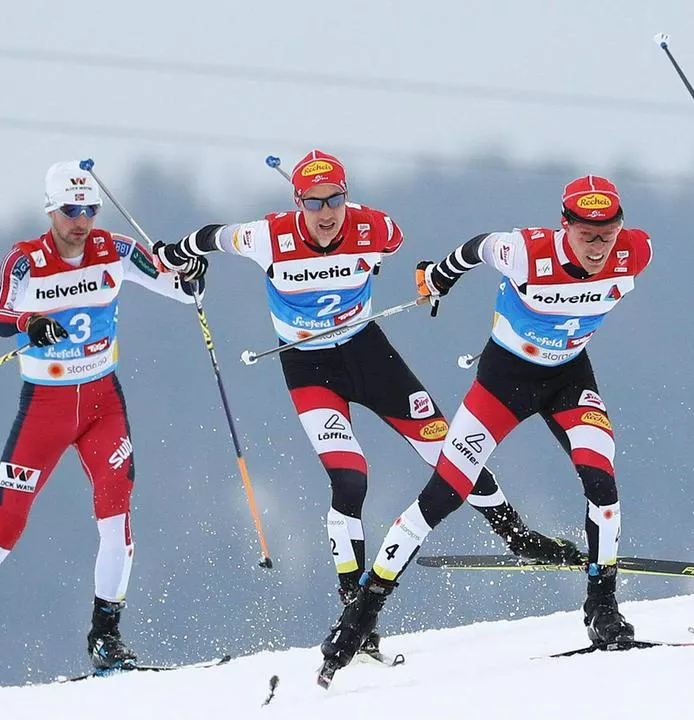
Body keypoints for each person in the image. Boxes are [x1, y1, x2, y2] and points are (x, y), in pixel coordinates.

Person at [151, 150, 579, 649]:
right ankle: (354, 606)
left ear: (347, 198)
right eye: (314, 204)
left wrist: (409, 276)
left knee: (452, 454)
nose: (327, 213)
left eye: (335, 200)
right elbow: (213, 237)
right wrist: (178, 252)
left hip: (368, 355)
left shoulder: (377, 229)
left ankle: (518, 537)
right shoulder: (269, 237)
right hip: (309, 368)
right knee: (350, 478)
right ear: (298, 203)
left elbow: (399, 245)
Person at [319, 175, 654, 673]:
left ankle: (602, 607)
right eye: (587, 236)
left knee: (601, 480)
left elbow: (615, 254)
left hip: (569, 379)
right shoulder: (523, 251)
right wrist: (437, 276)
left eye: (607, 235)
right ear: (566, 228)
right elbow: (475, 249)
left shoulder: (637, 251)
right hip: (505, 381)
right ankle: (362, 611)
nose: (598, 249)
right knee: (444, 494)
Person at [0, 162, 208, 698]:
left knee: (116, 512)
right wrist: (30, 324)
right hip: (45, 411)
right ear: (51, 210)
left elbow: (181, 290)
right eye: (71, 211)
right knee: (3, 530)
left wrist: (191, 278)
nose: (81, 221)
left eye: (89, 210)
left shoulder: (116, 249)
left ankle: (106, 638)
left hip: (102, 405)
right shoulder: (25, 260)